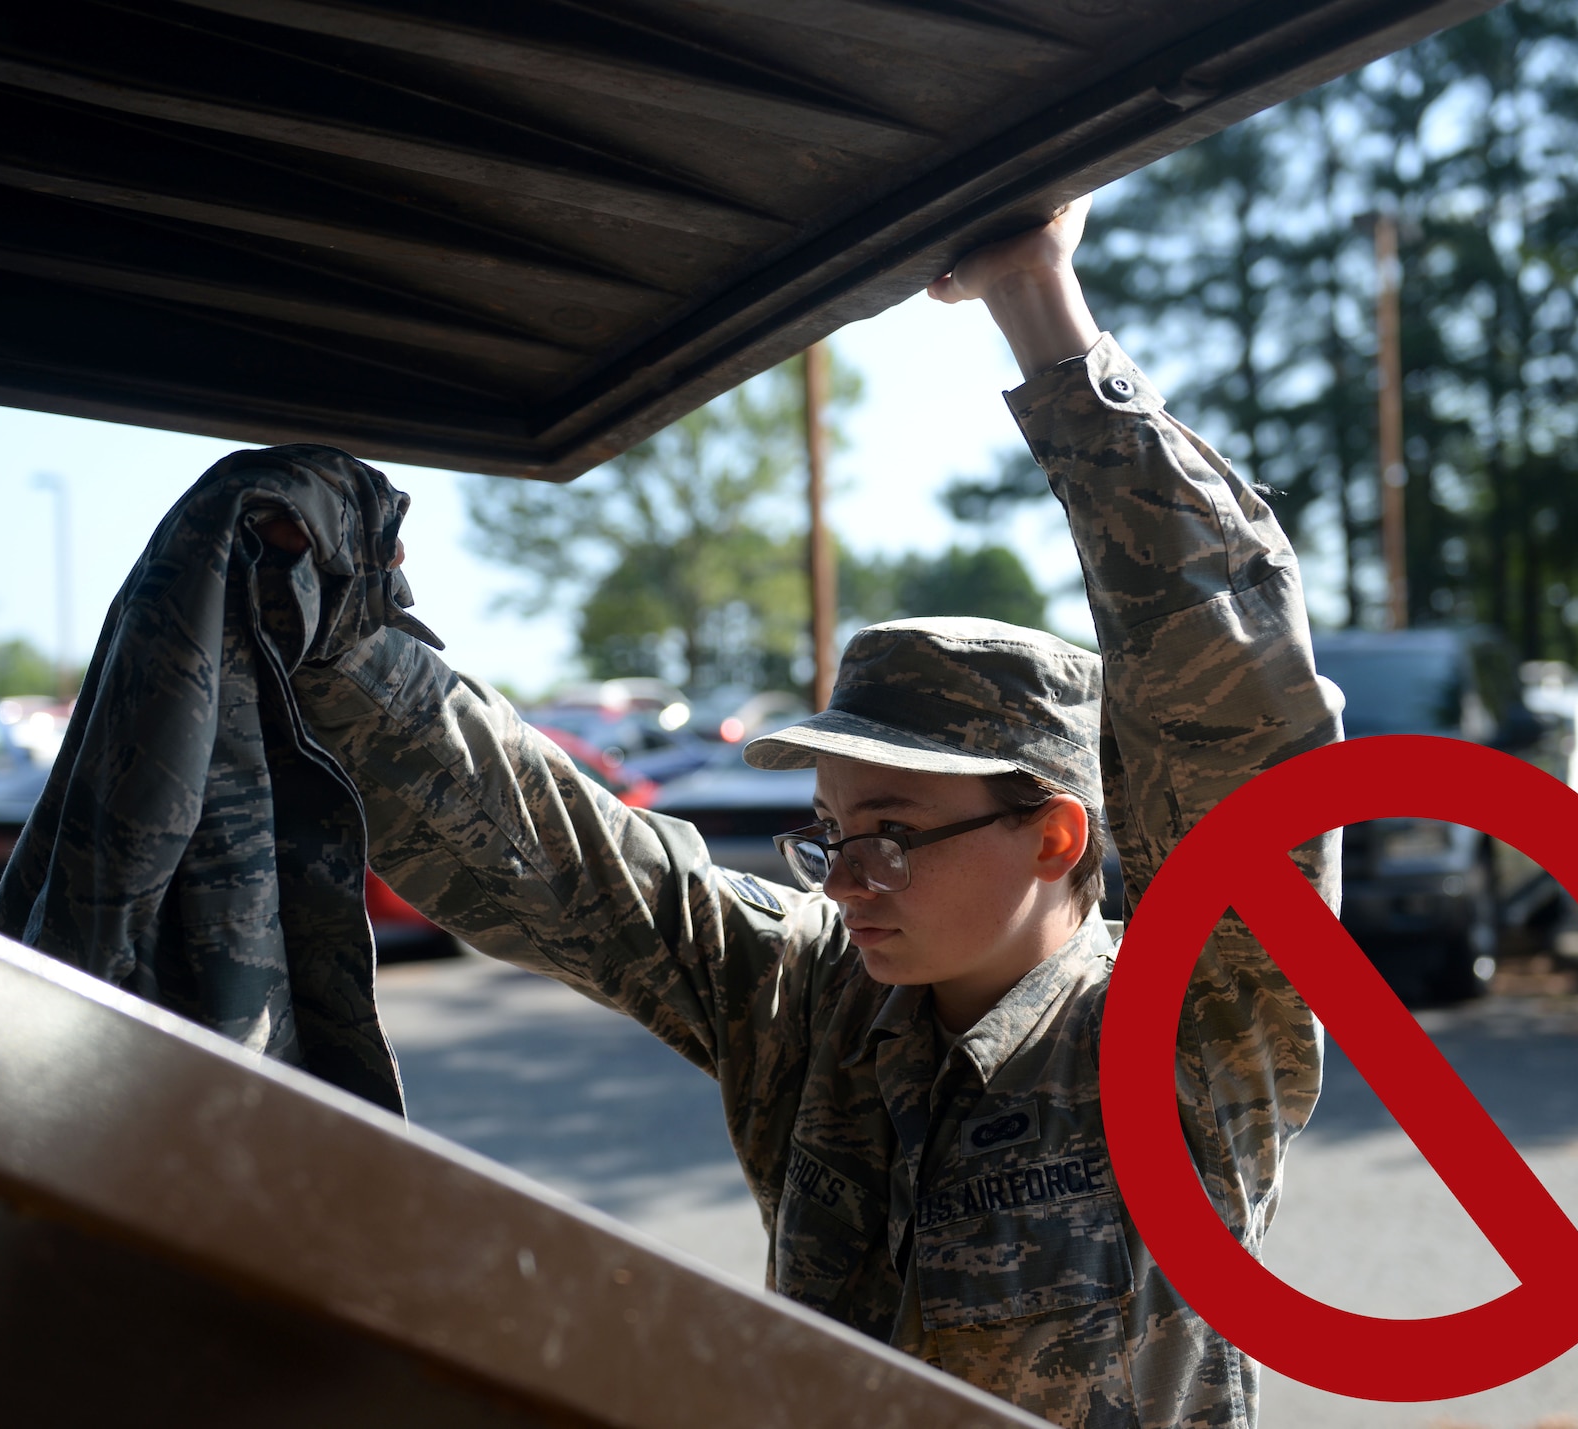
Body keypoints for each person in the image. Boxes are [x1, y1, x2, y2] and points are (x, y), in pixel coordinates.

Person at [278, 196, 1342, 1428]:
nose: (840, 880)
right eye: (828, 833)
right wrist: (335, 638)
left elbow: (1232, 721)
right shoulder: (806, 1002)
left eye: (887, 833)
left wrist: (1041, 315)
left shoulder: (1190, 1038)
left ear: (1054, 834)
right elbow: (553, 856)